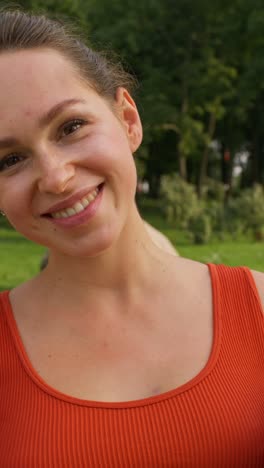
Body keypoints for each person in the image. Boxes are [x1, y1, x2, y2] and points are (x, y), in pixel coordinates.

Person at [0, 9, 263, 467]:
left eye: (70, 127)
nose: (57, 178)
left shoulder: (260, 307)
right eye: (9, 160)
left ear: (128, 119)